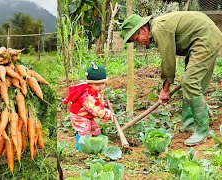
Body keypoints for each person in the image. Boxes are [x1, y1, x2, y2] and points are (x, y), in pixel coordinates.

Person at [120, 11, 222, 145]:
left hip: (205, 38)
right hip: (199, 40)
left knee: (190, 82)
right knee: (192, 82)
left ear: (143, 29)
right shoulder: (158, 27)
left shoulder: (158, 29)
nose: (139, 43)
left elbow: (168, 62)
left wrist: (165, 89)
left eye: (136, 38)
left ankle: (202, 130)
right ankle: (189, 123)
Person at [63, 63, 114, 152]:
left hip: (87, 115)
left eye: (103, 84)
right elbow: (95, 109)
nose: (101, 87)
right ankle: (81, 149)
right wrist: (107, 114)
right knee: (84, 132)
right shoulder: (87, 95)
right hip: (79, 116)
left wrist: (104, 104)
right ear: (90, 83)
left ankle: (96, 145)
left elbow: (98, 102)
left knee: (95, 129)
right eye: (98, 85)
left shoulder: (97, 90)